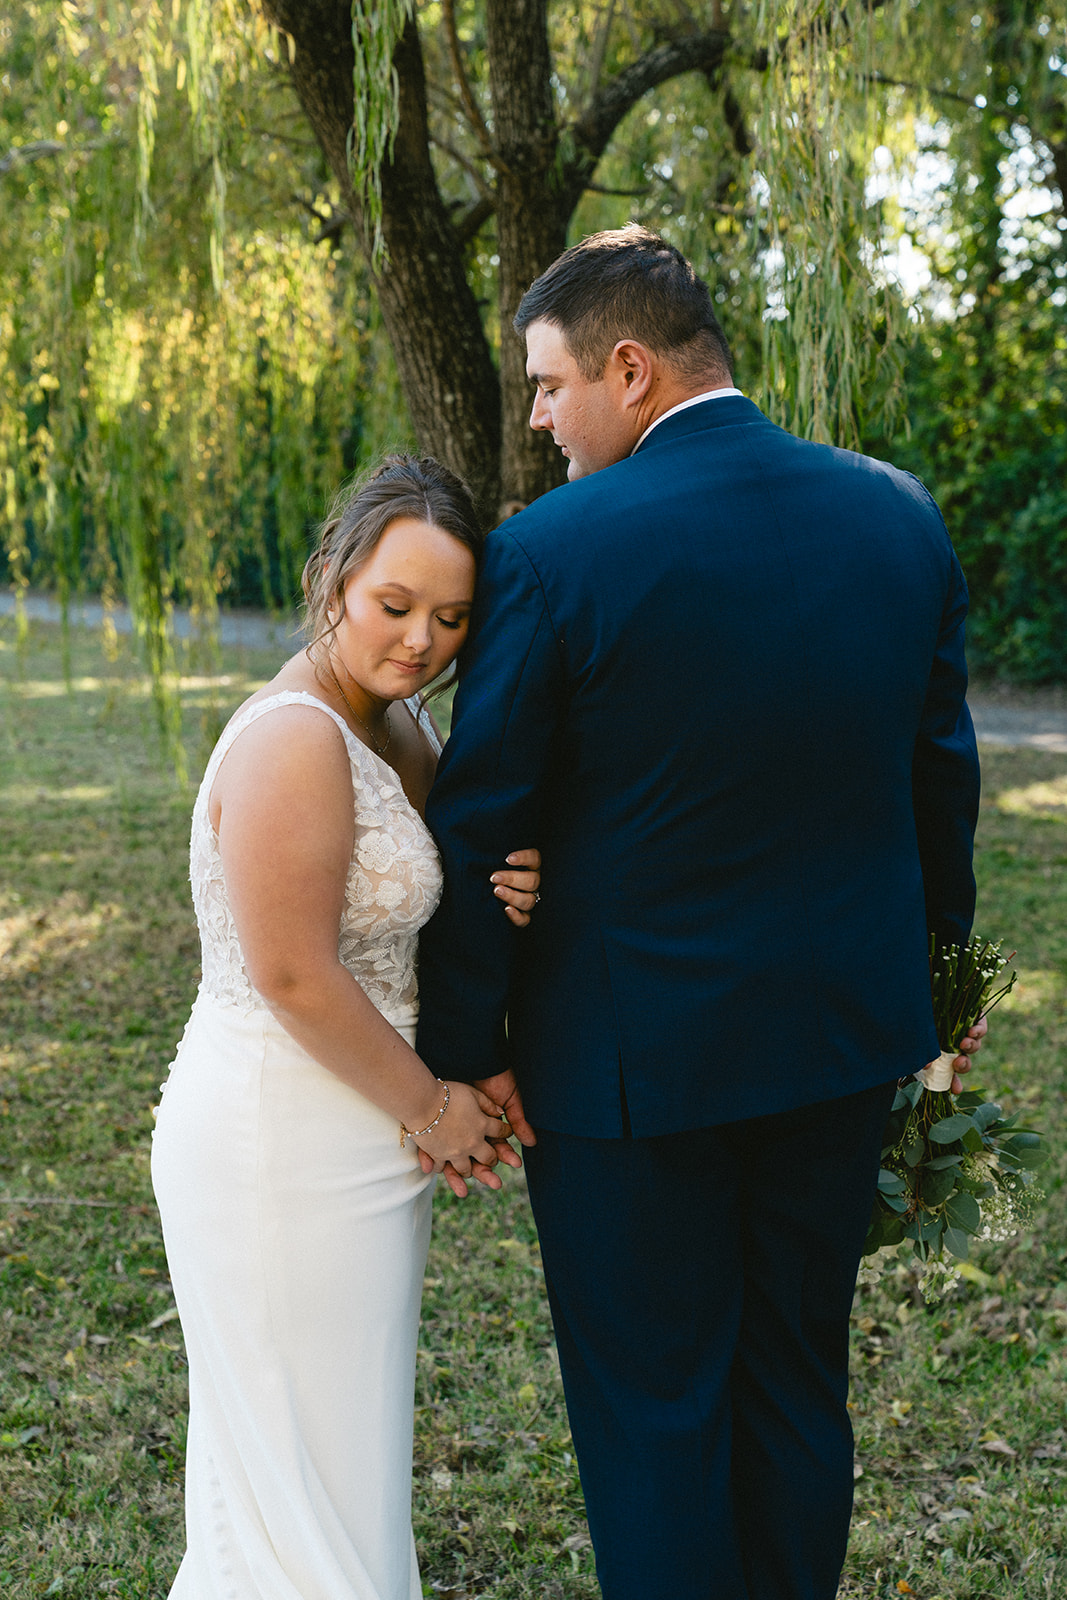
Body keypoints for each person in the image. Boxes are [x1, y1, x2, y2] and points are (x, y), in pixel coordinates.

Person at [415, 226, 984, 1599]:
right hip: (836, 1046)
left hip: (624, 1077)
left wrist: (465, 1045)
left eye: (549, 386)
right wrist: (937, 1009)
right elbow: (939, 790)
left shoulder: (549, 555)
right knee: (795, 1380)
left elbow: (482, 822)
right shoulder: (896, 517)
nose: (539, 419)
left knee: (654, 1413)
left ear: (630, 371)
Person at [151, 456, 539, 1600]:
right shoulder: (294, 738)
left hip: (357, 1135)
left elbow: (428, 898)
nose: (422, 638)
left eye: (452, 617)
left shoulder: (396, 723)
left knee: (329, 1470)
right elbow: (292, 972)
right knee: (285, 1478)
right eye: (395, 605)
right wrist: (435, 1108)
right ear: (332, 579)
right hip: (280, 1138)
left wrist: (515, 886)